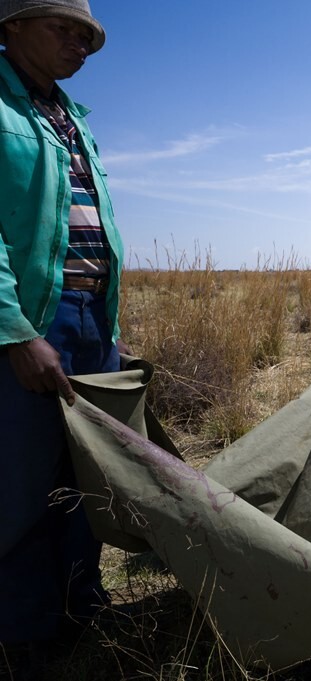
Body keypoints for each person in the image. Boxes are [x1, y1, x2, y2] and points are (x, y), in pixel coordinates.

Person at [0, 0, 127, 652]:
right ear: (13, 25)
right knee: (21, 488)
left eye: (85, 36)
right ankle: (24, 641)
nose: (78, 44)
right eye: (63, 29)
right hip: (29, 319)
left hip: (88, 321)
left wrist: (108, 329)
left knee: (84, 480)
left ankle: (85, 612)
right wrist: (17, 333)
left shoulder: (71, 118)